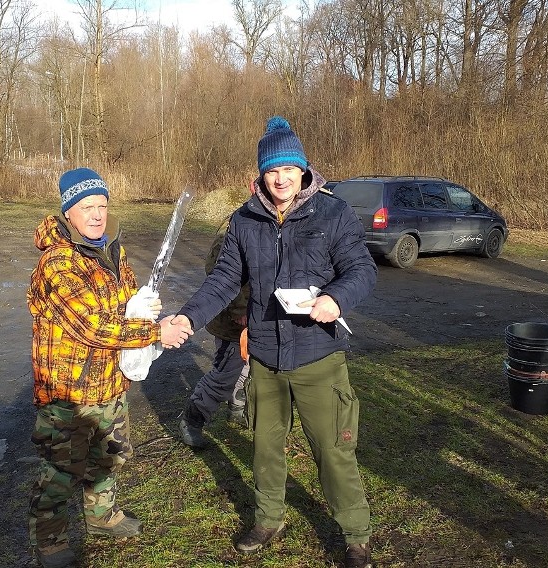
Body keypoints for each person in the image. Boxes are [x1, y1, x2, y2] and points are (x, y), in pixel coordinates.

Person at [172, 116, 377, 568]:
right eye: (272, 170)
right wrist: (189, 316)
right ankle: (269, 517)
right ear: (261, 174)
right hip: (264, 355)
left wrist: (336, 299)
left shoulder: (332, 212)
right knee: (265, 446)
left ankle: (356, 535)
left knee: (333, 450)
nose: (281, 178)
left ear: (303, 169)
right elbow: (226, 278)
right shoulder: (244, 219)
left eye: (289, 168)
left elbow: (362, 270)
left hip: (317, 355)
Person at [26, 167, 192, 568]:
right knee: (63, 470)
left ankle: (102, 516)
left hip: (109, 381)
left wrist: (152, 313)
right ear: (69, 212)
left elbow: (128, 304)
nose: (97, 215)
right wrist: (153, 334)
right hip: (70, 391)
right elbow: (92, 326)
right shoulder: (57, 264)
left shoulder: (112, 249)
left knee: (110, 455)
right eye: (87, 207)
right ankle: (49, 542)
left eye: (102, 205)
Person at [178, 209, 251, 449]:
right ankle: (192, 419)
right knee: (225, 374)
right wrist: (239, 309)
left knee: (249, 368)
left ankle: (238, 407)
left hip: (259, 316)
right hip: (233, 319)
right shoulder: (237, 223)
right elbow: (217, 270)